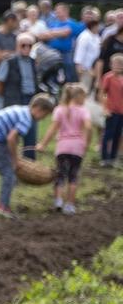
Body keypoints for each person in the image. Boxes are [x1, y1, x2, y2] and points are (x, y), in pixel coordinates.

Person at [0, 95, 55, 218]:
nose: (43, 119)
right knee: (9, 173)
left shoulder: (21, 109)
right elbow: (11, 138)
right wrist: (15, 160)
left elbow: (12, 137)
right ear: (38, 109)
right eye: (45, 115)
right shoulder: (27, 119)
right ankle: (3, 207)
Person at [37, 83, 92, 214]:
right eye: (84, 97)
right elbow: (89, 127)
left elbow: (52, 129)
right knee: (73, 177)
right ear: (79, 96)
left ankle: (58, 201)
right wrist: (86, 143)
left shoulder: (59, 110)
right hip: (77, 148)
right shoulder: (83, 111)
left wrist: (43, 144)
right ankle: (70, 205)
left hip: (62, 147)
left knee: (60, 175)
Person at [100, 53, 123, 167]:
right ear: (111, 65)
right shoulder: (108, 77)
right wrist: (105, 108)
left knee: (117, 135)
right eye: (116, 64)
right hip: (111, 111)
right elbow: (103, 93)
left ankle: (113, 158)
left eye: (120, 64)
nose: (118, 66)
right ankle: (105, 158)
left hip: (121, 111)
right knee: (108, 134)